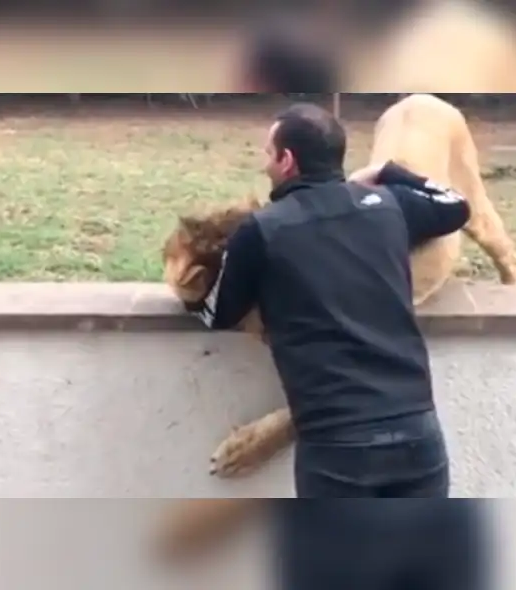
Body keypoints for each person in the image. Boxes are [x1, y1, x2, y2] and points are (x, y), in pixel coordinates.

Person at [185, 102, 470, 498]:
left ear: (287, 160)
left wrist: (187, 284)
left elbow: (218, 312)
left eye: (268, 154)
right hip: (417, 433)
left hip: (338, 446)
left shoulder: (262, 231)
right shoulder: (390, 205)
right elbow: (456, 205)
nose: (265, 164)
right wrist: (388, 173)